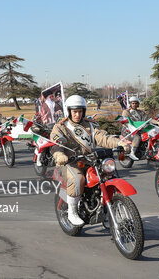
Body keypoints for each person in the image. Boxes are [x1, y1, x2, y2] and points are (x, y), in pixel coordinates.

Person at [50, 95, 130, 226]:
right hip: (69, 161)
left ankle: (106, 210)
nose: (77, 114)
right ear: (69, 111)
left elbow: (103, 138)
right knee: (78, 178)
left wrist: (119, 143)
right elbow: (56, 142)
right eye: (74, 111)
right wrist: (59, 154)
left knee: (107, 176)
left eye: (80, 111)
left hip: (89, 160)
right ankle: (72, 211)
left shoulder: (90, 125)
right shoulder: (61, 127)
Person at [121, 96, 151, 161]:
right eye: (133, 103)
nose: (134, 104)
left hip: (140, 130)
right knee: (137, 137)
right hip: (128, 130)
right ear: (130, 104)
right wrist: (133, 127)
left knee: (149, 135)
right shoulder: (126, 112)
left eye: (136, 103)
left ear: (138, 104)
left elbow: (148, 119)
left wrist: (156, 122)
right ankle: (132, 153)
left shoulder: (141, 112)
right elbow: (125, 122)